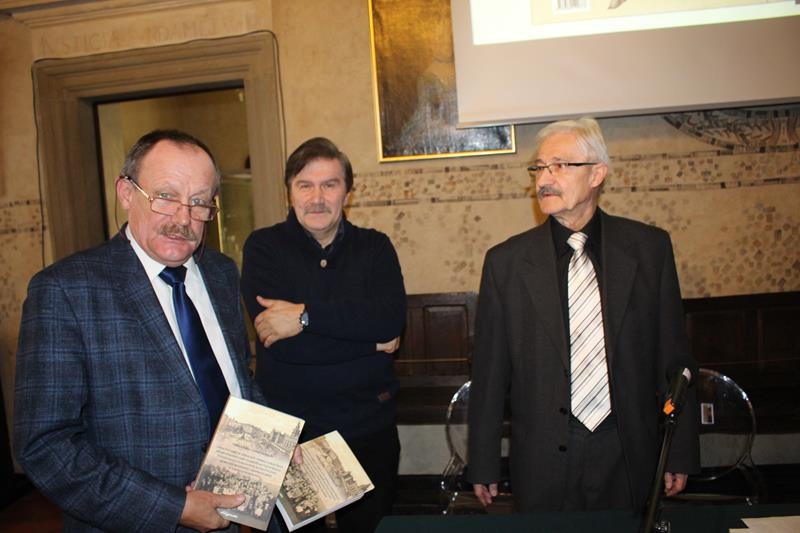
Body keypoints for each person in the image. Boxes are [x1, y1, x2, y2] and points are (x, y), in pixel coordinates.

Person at [14, 129, 275, 532]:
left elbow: (237, 381)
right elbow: (47, 447)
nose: (183, 219)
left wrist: (273, 450)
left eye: (199, 202)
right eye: (166, 196)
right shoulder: (66, 290)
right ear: (125, 193)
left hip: (234, 517)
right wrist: (175, 508)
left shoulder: (221, 273)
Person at [467, 117, 700, 512]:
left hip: (628, 451)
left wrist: (679, 451)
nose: (544, 179)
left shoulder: (649, 250)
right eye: (539, 167)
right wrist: (484, 461)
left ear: (597, 174)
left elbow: (673, 358)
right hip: (542, 459)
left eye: (559, 165)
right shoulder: (506, 263)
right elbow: (489, 373)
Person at [240, 137, 406, 533]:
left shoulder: (375, 247)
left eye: (329, 185)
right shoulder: (263, 247)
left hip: (367, 427)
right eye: (305, 185)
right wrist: (368, 342)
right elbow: (285, 347)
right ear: (289, 191)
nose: (317, 198)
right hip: (292, 436)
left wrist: (304, 316)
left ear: (348, 192)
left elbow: (389, 321)